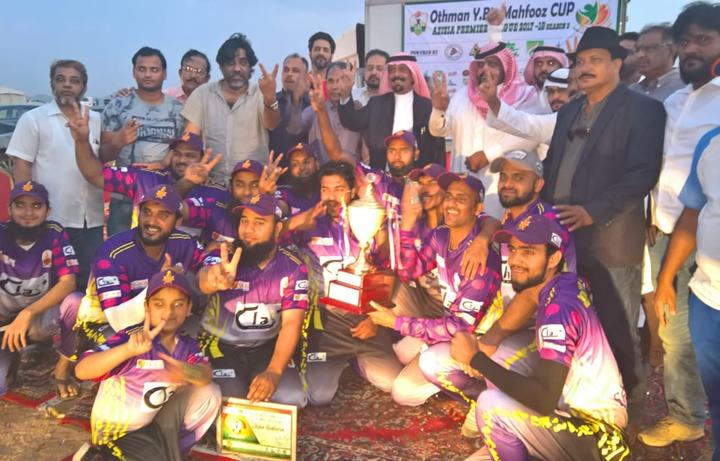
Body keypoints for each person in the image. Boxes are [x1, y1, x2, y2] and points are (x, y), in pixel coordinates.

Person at [541, 26, 666, 394]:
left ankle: (628, 403)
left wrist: (592, 211)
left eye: (595, 60)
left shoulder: (644, 110)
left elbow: (643, 173)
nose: (584, 68)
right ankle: (581, 396)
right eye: (580, 61)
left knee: (617, 325)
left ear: (616, 63)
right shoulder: (570, 110)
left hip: (611, 237)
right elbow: (552, 165)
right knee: (567, 317)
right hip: (564, 234)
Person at [451, 214, 629, 461]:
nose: (514, 260)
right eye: (513, 250)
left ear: (553, 258)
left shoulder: (560, 308)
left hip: (598, 435)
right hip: (569, 415)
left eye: (528, 252)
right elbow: (528, 297)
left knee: (490, 405)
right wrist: (489, 342)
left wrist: (475, 359)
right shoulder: (562, 282)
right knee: (499, 360)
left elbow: (544, 399)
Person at [644, 1, 720, 449]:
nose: (692, 49)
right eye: (686, 41)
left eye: (704, 40)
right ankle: (688, 416)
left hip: (706, 238)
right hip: (667, 231)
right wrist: (652, 215)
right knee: (673, 331)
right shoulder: (674, 101)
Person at [368, 172, 503, 407]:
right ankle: (439, 372)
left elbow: (460, 327)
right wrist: (408, 223)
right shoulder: (441, 235)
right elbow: (409, 271)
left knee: (403, 392)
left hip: (476, 340)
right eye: (449, 196)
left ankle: (481, 395)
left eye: (461, 198)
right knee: (402, 352)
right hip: (448, 326)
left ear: (477, 208)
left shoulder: (481, 260)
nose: (451, 203)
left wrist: (396, 323)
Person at [75, 270, 220, 461]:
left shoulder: (187, 345)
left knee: (210, 392)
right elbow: (82, 370)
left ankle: (174, 451)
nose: (168, 312)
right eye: (159, 304)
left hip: (154, 427)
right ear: (147, 307)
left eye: (178, 304)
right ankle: (100, 455)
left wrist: (187, 371)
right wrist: (128, 350)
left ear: (189, 308)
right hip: (118, 434)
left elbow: (205, 375)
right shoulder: (132, 337)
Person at [291, 161, 400, 404]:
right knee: (318, 396)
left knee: (392, 382)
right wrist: (298, 222)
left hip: (365, 319)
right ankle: (337, 359)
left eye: (338, 189)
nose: (331, 197)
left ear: (351, 191)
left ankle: (356, 360)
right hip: (326, 322)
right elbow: (273, 241)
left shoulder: (367, 219)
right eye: (325, 189)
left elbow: (389, 274)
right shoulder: (309, 223)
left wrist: (374, 320)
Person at [197, 194, 308, 407]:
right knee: (228, 401)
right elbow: (204, 279)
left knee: (292, 399)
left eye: (259, 222)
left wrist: (274, 372)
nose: (248, 229)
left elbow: (292, 322)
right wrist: (214, 280)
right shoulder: (224, 256)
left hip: (265, 346)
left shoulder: (293, 266)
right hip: (221, 345)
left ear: (277, 229)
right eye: (244, 221)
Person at [7, 59, 103, 291]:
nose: (67, 85)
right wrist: (28, 212)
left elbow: (98, 159)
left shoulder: (95, 119)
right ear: (52, 85)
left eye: (74, 80)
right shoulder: (33, 119)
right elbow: (22, 166)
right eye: (61, 79)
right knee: (50, 285)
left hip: (91, 219)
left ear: (84, 87)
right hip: (52, 220)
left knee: (86, 285)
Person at [74, 184, 205, 348]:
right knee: (131, 346)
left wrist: (215, 271)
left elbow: (209, 262)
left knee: (199, 333)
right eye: (147, 212)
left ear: (178, 222)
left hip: (155, 320)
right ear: (138, 213)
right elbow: (119, 322)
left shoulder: (184, 242)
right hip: (103, 324)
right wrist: (159, 284)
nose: (152, 221)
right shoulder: (112, 253)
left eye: (163, 215)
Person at [70, 105, 223, 232]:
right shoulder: (147, 178)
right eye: (177, 154)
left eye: (190, 156)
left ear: (202, 157)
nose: (182, 160)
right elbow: (95, 175)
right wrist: (82, 142)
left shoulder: (216, 193)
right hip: (141, 256)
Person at [429, 42, 538, 219]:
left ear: (506, 66)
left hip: (500, 189)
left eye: (492, 64)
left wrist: (489, 155)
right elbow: (439, 131)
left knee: (497, 230)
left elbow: (530, 135)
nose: (485, 69)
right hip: (462, 188)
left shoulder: (525, 96)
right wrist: (439, 110)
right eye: (480, 65)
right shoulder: (462, 95)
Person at [0, 181, 81, 399]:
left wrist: (27, 313)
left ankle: (62, 370)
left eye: (36, 206)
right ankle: (11, 354)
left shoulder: (55, 234)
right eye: (20, 205)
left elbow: (68, 282)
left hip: (38, 318)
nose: (28, 213)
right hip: (3, 321)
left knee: (76, 303)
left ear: (48, 211)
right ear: (9, 209)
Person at [101, 47, 185, 236]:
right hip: (124, 197)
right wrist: (118, 142)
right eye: (142, 69)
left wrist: (166, 161)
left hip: (164, 196)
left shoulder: (178, 110)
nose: (147, 75)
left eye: (154, 70)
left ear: (164, 73)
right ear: (134, 72)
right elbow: (103, 155)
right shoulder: (117, 106)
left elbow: (185, 152)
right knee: (121, 248)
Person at [182, 33, 280, 185]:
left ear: (250, 67)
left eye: (243, 63)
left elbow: (272, 124)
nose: (237, 69)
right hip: (211, 184)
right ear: (221, 67)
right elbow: (190, 141)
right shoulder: (202, 94)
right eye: (230, 63)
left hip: (252, 185)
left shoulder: (260, 93)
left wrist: (270, 98)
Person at [338, 53, 446, 169]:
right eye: (392, 70)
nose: (396, 74)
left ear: (413, 75)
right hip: (384, 176)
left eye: (402, 69)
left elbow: (438, 147)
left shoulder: (427, 106)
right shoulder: (377, 104)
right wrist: (345, 94)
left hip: (418, 176)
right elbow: (351, 121)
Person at [297, 61, 363, 164]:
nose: (334, 86)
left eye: (341, 80)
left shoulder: (359, 109)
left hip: (353, 172)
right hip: (322, 173)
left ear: (351, 81)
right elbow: (294, 131)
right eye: (331, 81)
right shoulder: (314, 110)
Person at [269, 53, 310, 158]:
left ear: (306, 76)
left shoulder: (313, 104)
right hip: (276, 166)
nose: (289, 74)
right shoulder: (271, 102)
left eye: (295, 71)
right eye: (286, 70)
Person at [630, 24, 685, 101]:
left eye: (648, 49)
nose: (639, 55)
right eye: (637, 49)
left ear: (671, 50)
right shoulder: (632, 90)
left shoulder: (685, 89)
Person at [275, 142, 321, 216]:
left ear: (317, 164)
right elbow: (278, 210)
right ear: (290, 169)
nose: (302, 168)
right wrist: (266, 194)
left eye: (306, 162)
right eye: (295, 164)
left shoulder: (327, 190)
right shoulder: (285, 192)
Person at [522, 45, 569, 113]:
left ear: (561, 66)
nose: (544, 68)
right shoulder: (524, 98)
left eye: (551, 63)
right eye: (539, 63)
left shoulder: (572, 96)